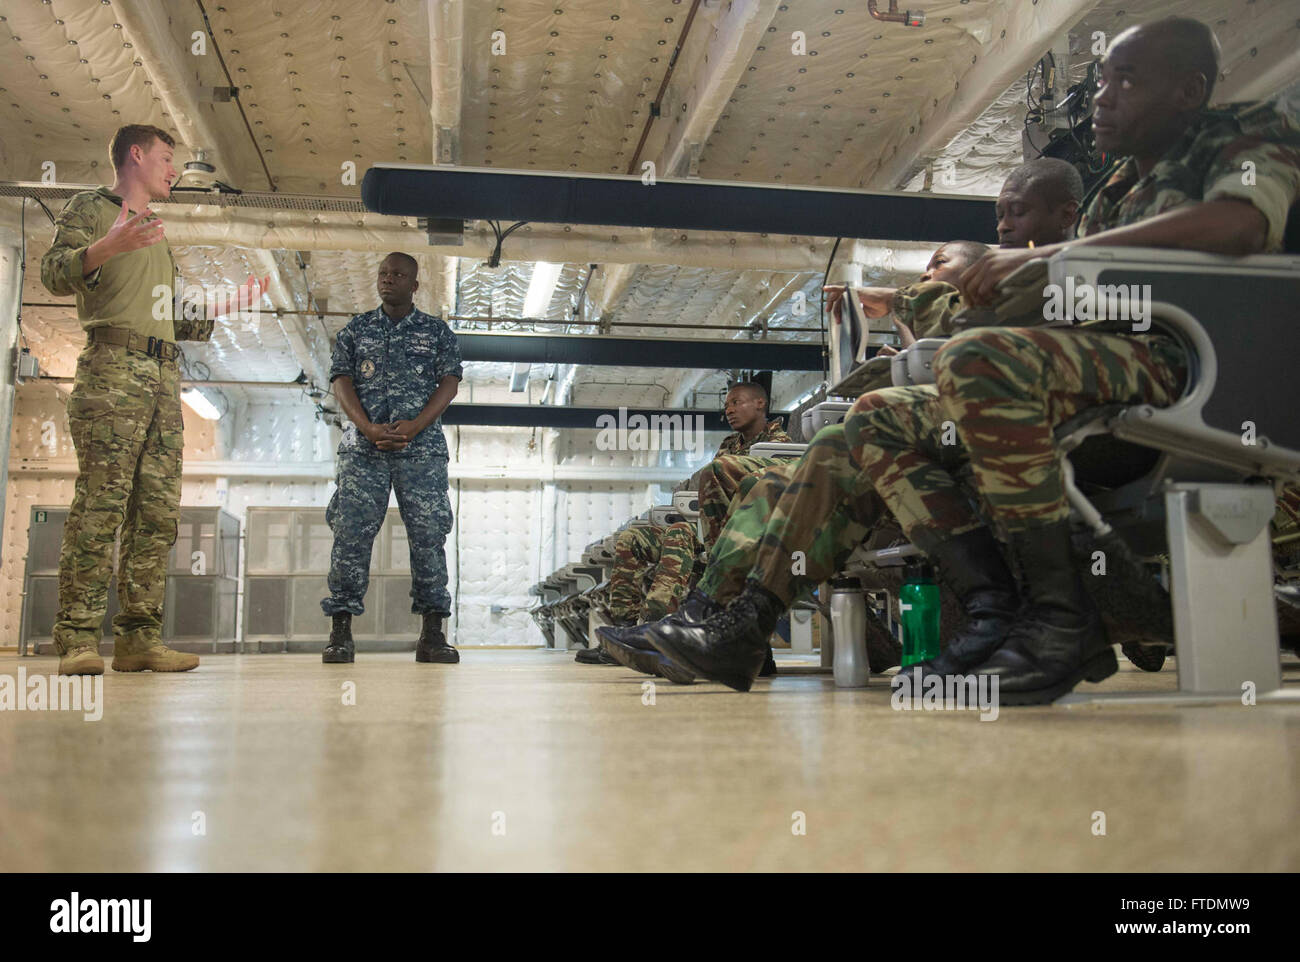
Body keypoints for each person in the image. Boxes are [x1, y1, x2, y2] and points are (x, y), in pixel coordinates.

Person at [649, 17, 1300, 700]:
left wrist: (1047, 256)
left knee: (980, 361)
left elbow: (1241, 225)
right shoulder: (1116, 192)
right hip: (1098, 371)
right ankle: (983, 612)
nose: (1102, 96)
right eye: (1102, 78)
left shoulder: (1244, 134)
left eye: (1126, 79)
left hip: (1191, 368)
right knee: (871, 419)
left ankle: (1059, 618)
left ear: (1189, 89)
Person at [633, 163, 1085, 691]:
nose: (1005, 225)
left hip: (1015, 421)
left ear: (1066, 214)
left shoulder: (1062, 273)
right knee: (789, 469)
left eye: (1019, 212)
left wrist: (898, 303)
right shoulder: (1018, 277)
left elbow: (979, 329)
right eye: (1000, 213)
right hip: (959, 425)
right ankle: (726, 619)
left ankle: (745, 625)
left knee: (833, 440)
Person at [41, 124, 265, 675]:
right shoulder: (91, 209)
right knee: (101, 505)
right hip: (111, 372)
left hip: (164, 379)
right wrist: (104, 247)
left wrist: (223, 306)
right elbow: (52, 274)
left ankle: (140, 638)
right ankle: (76, 639)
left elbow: (171, 316)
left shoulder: (156, 235)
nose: (173, 170)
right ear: (135, 156)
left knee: (157, 514)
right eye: (168, 158)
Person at [321, 253, 463, 665]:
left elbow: (449, 383)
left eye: (398, 275)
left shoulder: (436, 332)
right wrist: (366, 427)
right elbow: (341, 380)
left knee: (429, 537)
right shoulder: (356, 330)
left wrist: (415, 426)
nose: (388, 280)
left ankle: (432, 634)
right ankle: (341, 632)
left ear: (414, 285)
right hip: (364, 451)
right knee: (350, 536)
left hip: (420, 450)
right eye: (383, 274)